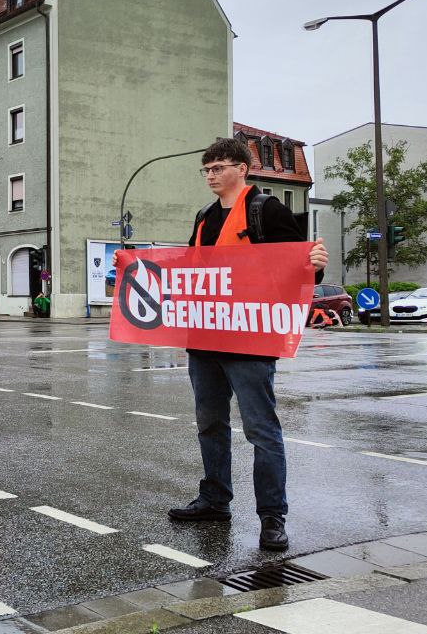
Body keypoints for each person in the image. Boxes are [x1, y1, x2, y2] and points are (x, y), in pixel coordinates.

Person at [116, 137, 327, 552]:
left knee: (261, 430)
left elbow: (298, 267)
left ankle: (272, 517)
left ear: (241, 169)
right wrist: (133, 269)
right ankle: (215, 500)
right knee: (210, 424)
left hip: (250, 341)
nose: (210, 176)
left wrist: (316, 268)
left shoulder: (267, 210)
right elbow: (191, 272)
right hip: (205, 339)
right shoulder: (204, 217)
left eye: (218, 168)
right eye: (206, 170)